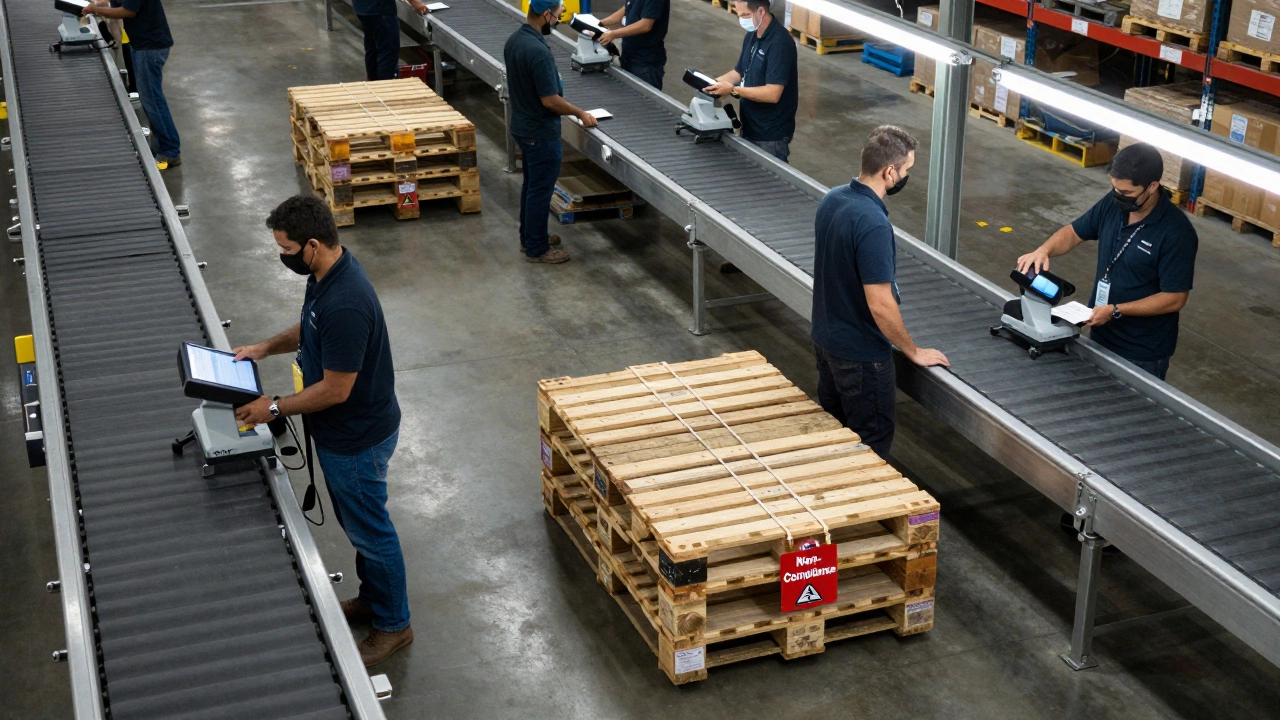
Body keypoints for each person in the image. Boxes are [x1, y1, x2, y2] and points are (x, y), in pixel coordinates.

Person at [232, 196, 411, 668]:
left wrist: (273, 407)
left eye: (285, 248)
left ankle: (394, 624)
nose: (282, 256)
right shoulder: (325, 277)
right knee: (359, 526)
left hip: (357, 438)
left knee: (372, 532)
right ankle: (373, 600)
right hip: (344, 433)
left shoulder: (347, 303)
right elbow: (310, 330)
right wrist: (264, 348)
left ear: (312, 245)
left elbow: (335, 390)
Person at [810, 126, 949, 458]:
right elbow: (881, 304)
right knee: (870, 445)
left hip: (826, 343)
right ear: (890, 172)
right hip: (860, 357)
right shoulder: (872, 222)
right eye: (906, 170)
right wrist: (912, 351)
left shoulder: (832, 199)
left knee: (836, 435)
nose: (905, 177)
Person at [1017, 143, 1198, 381]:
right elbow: (1073, 232)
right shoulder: (1113, 204)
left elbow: (1174, 298)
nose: (1118, 197)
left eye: (1127, 193)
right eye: (1115, 189)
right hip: (1101, 332)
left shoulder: (1176, 233)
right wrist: (1044, 250)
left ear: (1152, 187)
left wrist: (1116, 310)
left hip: (1141, 352)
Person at [503, 0, 598, 264]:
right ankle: (536, 248)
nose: (558, 21)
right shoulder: (538, 51)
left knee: (532, 187)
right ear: (545, 14)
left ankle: (531, 237)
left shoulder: (515, 40)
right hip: (540, 132)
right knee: (540, 190)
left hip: (522, 125)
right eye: (557, 16)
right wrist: (580, 113)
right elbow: (550, 99)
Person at [84, 0, 181, 168]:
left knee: (153, 102)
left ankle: (170, 151)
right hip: (143, 44)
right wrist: (101, 4)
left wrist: (97, 10)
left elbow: (128, 11)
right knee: (151, 100)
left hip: (149, 47)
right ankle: (162, 147)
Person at [702, 0, 798, 163]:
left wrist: (732, 90)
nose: (742, 20)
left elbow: (773, 93)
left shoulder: (780, 43)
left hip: (770, 135)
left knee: (767, 185)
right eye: (739, 15)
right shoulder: (752, 35)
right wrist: (711, 83)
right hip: (750, 125)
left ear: (761, 11)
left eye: (745, 15)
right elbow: (739, 72)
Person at [598, 0, 670, 90]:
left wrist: (613, 34)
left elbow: (645, 25)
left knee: (645, 100)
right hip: (628, 54)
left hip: (645, 62)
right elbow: (626, 9)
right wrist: (599, 24)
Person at [355, 0, 430, 82]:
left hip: (362, 8)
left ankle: (373, 84)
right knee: (387, 53)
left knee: (372, 49)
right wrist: (415, 3)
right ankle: (385, 88)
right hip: (380, 10)